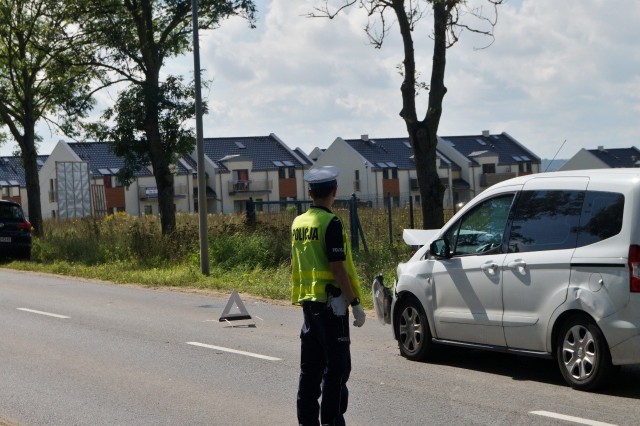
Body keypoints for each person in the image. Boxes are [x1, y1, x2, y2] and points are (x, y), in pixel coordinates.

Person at [291, 166, 366, 426]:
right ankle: (332, 422)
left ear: (310, 192)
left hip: (308, 303)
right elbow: (337, 266)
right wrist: (354, 302)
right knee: (337, 369)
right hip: (333, 305)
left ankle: (307, 422)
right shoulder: (330, 222)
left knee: (310, 370)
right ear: (334, 192)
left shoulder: (299, 222)